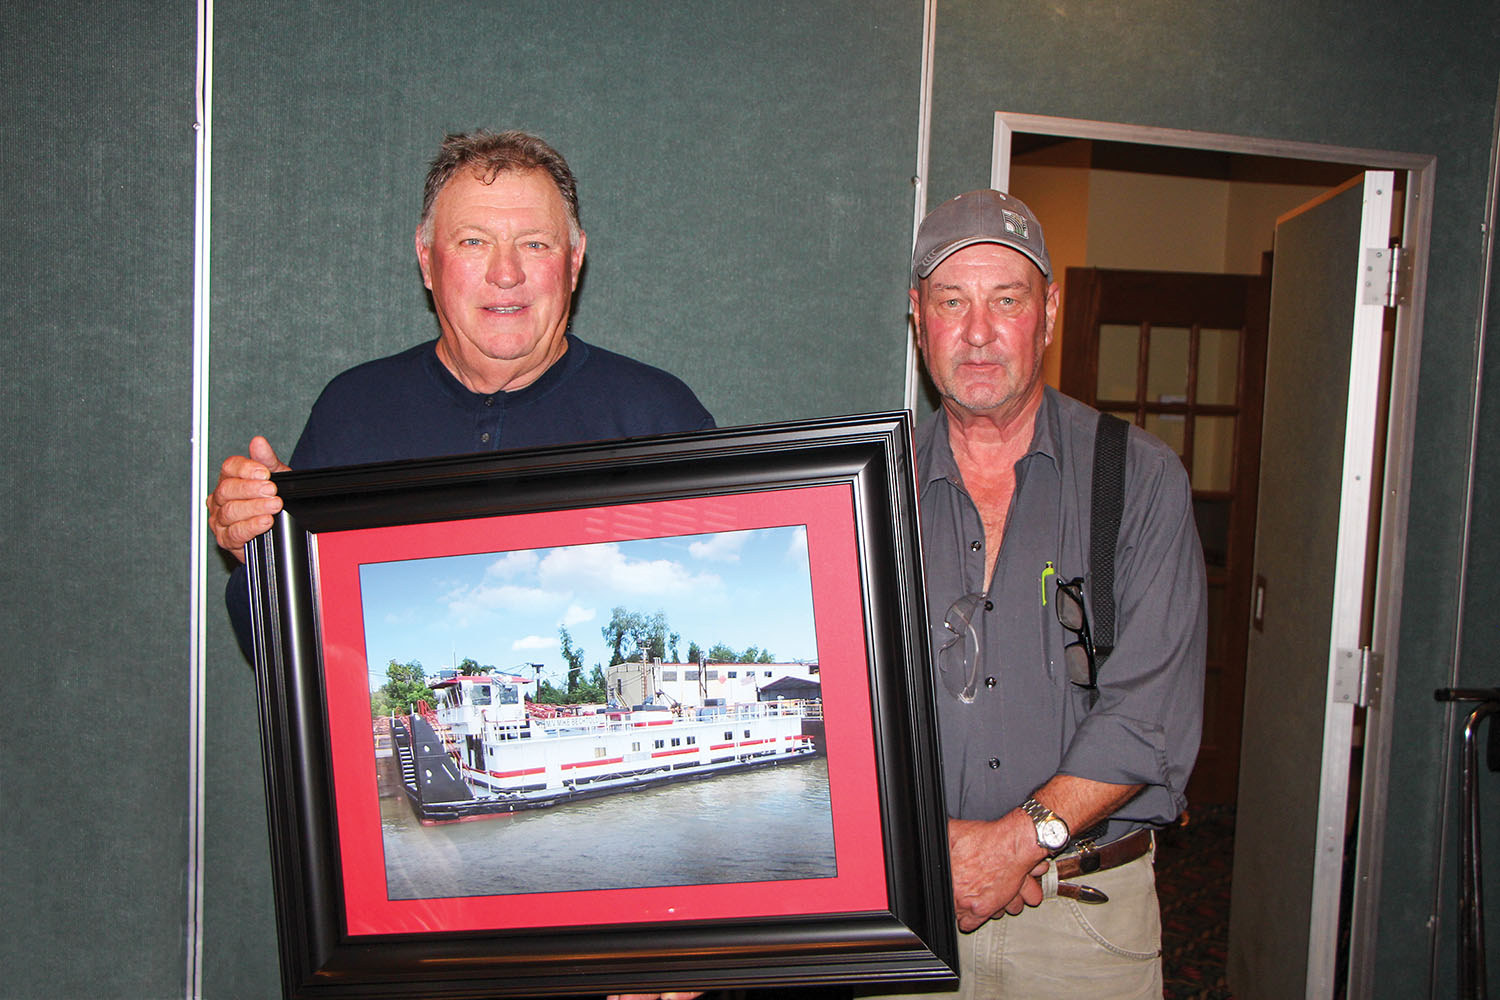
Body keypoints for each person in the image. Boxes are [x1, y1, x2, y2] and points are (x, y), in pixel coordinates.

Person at [862, 190, 1206, 999]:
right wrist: (928, 850)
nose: (977, 332)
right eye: (952, 301)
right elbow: (836, 711)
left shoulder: (1139, 479)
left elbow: (1151, 714)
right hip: (906, 917)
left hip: (1085, 924)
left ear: (1047, 312)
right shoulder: (868, 491)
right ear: (919, 318)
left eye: (1005, 300)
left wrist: (1020, 841)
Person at [209, 130, 714, 656]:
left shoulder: (660, 418)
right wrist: (267, 553)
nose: (505, 273)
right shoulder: (352, 411)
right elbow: (284, 655)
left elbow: (715, 613)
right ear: (427, 261)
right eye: (474, 242)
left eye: (535, 244)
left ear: (574, 261)